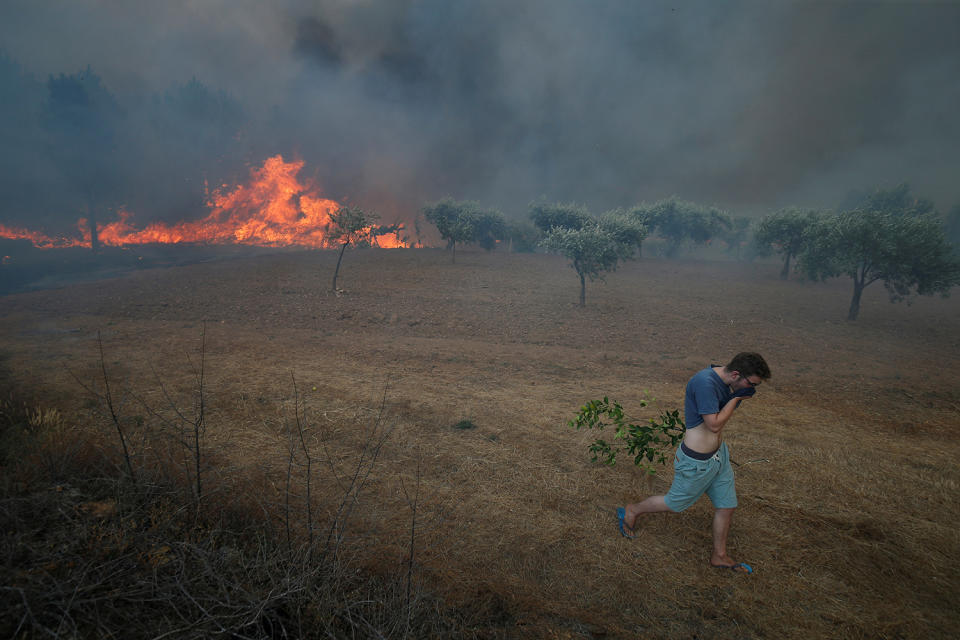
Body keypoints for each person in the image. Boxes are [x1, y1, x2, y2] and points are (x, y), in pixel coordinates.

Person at [616, 352, 771, 574]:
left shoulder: (728, 382)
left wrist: (737, 393)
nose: (752, 390)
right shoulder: (705, 383)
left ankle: (719, 556)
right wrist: (737, 398)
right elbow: (714, 424)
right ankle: (632, 510)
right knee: (674, 503)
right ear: (736, 374)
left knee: (727, 505)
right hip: (696, 463)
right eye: (751, 384)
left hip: (719, 457)